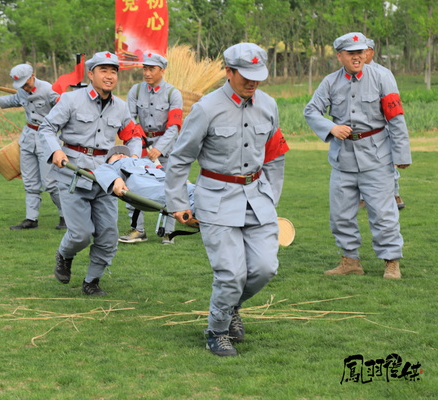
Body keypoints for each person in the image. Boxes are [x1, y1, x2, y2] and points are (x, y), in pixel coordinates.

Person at [164, 43, 289, 357]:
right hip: (217, 199)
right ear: (228, 72)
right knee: (231, 274)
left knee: (264, 268)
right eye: (245, 75)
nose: (252, 82)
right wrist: (178, 203)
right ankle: (217, 331)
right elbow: (180, 159)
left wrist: (271, 194)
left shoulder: (269, 105)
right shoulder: (207, 108)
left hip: (258, 198)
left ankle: (231, 306)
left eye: (257, 76)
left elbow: (275, 155)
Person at [304, 32, 411, 280]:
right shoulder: (330, 82)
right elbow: (311, 110)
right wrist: (331, 128)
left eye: (360, 52)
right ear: (340, 55)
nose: (357, 56)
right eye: (351, 53)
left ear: (366, 53)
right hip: (343, 159)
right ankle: (350, 260)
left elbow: (395, 117)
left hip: (377, 156)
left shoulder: (382, 76)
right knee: (340, 214)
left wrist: (401, 153)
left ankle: (391, 262)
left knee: (383, 213)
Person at [38, 51, 144, 296]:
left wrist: (133, 158)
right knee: (81, 234)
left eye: (113, 71)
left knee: (108, 236)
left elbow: (134, 135)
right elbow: (47, 128)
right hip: (73, 174)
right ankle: (65, 255)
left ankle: (92, 281)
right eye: (103, 70)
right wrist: (55, 150)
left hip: (106, 177)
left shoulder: (121, 107)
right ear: (91, 74)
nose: (109, 76)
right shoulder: (71, 100)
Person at [0, 64, 65, 230]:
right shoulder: (22, 90)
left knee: (50, 183)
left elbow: (63, 110)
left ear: (32, 76)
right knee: (29, 182)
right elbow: (15, 100)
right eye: (20, 85)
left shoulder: (49, 89)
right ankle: (31, 219)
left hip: (47, 139)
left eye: (26, 83)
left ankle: (66, 216)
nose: (24, 87)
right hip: (28, 137)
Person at [119, 53, 183, 245]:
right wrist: (139, 146)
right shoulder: (135, 91)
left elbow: (174, 127)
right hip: (140, 144)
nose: (147, 73)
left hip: (167, 149)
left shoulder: (173, 94)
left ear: (162, 70)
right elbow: (129, 121)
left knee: (171, 188)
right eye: (145, 68)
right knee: (134, 187)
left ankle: (168, 231)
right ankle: (137, 230)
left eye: (151, 69)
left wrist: (159, 149)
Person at [93, 145, 195, 235]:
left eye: (124, 154)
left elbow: (166, 173)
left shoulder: (144, 161)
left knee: (195, 190)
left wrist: (185, 182)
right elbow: (101, 171)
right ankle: (201, 214)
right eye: (115, 155)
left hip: (162, 180)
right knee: (175, 197)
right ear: (108, 161)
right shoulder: (108, 166)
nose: (120, 155)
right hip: (144, 185)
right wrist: (117, 180)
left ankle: (202, 213)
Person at [364, 38, 406, 210]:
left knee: (388, 163)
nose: (361, 54)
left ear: (372, 52)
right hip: (363, 130)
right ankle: (362, 197)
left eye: (365, 50)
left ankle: (395, 194)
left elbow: (392, 102)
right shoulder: (350, 73)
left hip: (383, 126)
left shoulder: (383, 73)